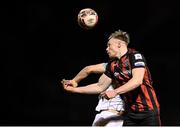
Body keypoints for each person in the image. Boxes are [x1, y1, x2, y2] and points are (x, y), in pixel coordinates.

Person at [62, 29, 161, 126]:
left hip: (148, 111)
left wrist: (115, 92)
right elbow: (99, 86)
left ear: (119, 44)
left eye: (109, 45)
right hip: (130, 114)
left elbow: (137, 80)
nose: (106, 49)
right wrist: (74, 90)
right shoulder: (112, 65)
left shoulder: (135, 56)